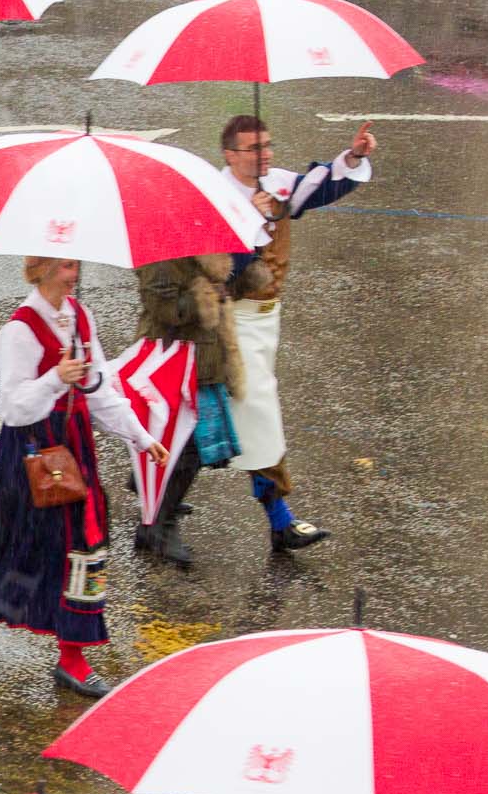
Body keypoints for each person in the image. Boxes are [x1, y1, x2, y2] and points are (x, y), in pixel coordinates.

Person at [0, 257, 163, 697]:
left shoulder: (81, 317)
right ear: (40, 269)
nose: (73, 273)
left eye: (75, 264)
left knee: (83, 544)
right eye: (64, 266)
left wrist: (139, 436)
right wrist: (55, 379)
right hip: (32, 454)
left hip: (74, 446)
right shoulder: (20, 331)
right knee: (33, 545)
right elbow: (13, 408)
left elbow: (98, 388)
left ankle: (69, 654)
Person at [217, 115, 377, 556]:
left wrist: (353, 156)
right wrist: (252, 222)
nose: (265, 154)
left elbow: (316, 188)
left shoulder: (277, 183)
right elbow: (217, 271)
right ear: (230, 154)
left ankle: (158, 499)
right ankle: (280, 518)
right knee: (258, 411)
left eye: (267, 145)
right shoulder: (215, 195)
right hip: (230, 321)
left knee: (211, 416)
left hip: (268, 320)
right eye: (254, 148)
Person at [132, 249, 251, 567]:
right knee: (185, 452)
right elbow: (164, 309)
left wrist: (234, 281)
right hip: (171, 363)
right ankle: (160, 524)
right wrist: (204, 295)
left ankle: (154, 520)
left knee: (189, 452)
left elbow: (231, 288)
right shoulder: (160, 254)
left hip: (203, 360)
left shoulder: (207, 250)